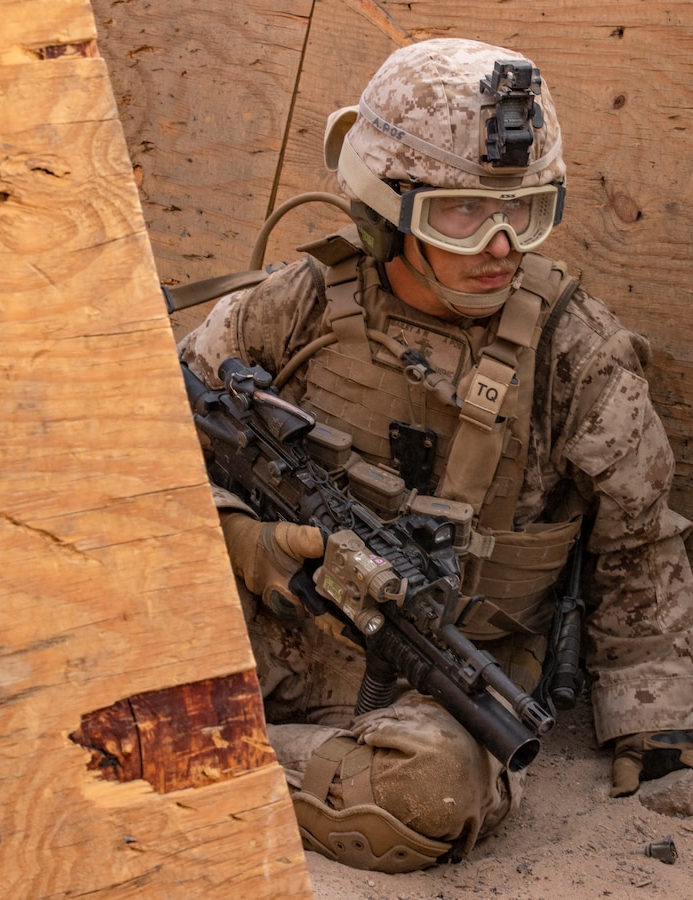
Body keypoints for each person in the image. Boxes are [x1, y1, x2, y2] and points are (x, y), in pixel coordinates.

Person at [179, 38, 693, 872]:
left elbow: (638, 538)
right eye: (462, 211)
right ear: (386, 208)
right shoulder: (297, 303)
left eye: (525, 210)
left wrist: (653, 713)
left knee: (436, 793)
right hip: (273, 629)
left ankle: (189, 745)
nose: (501, 244)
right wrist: (243, 537)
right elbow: (161, 440)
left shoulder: (574, 351)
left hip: (440, 679)